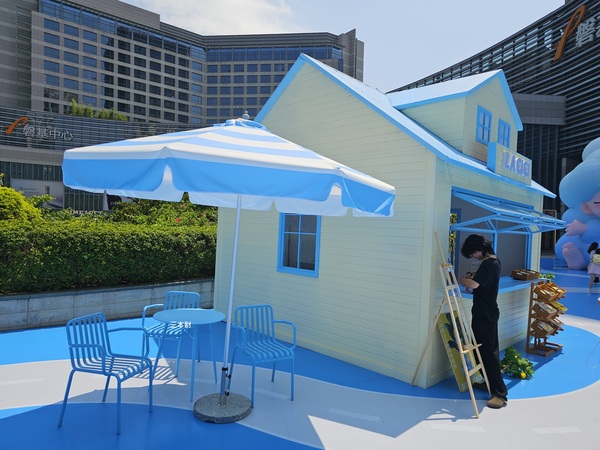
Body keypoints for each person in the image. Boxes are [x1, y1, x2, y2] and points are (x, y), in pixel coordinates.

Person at [459, 234, 508, 409]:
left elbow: (473, 284)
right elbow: (479, 285)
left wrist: (463, 279)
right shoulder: (493, 262)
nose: (474, 257)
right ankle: (487, 382)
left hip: (486, 314)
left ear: (479, 249)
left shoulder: (489, 263)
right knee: (481, 350)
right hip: (484, 312)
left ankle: (499, 393)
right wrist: (472, 280)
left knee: (488, 353)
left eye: (473, 254)